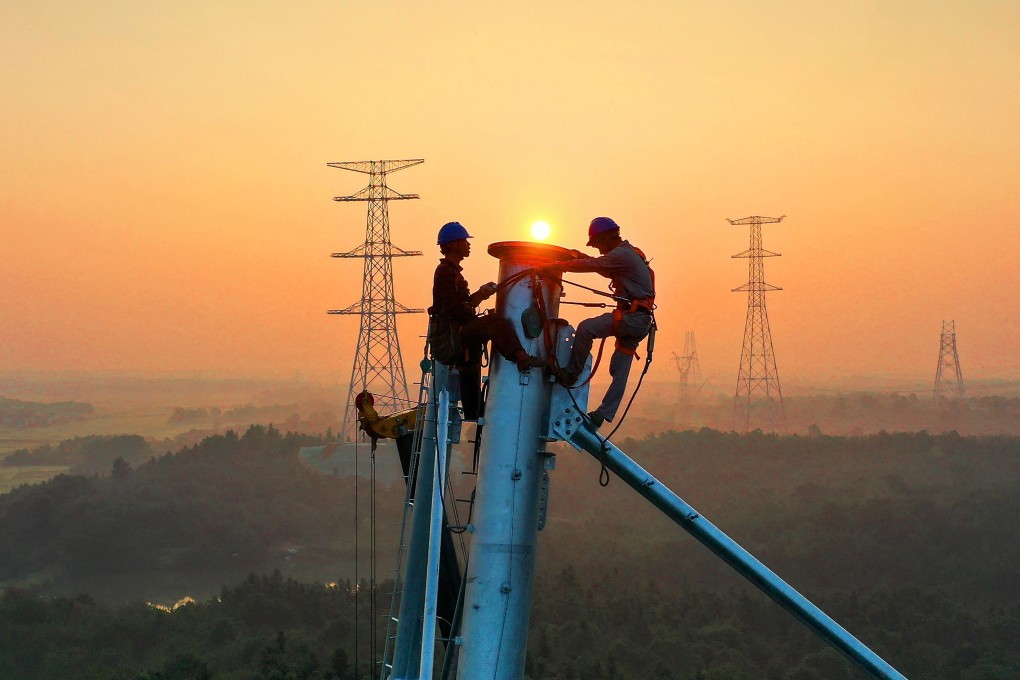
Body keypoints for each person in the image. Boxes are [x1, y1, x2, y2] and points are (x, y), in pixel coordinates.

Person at [538, 217, 655, 429]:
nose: (599, 250)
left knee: (586, 328)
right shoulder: (629, 254)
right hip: (639, 320)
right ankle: (602, 415)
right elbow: (603, 268)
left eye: (598, 244)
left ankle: (571, 374)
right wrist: (581, 256)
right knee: (620, 370)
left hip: (631, 318)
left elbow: (593, 266)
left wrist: (555, 266)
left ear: (607, 237)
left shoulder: (621, 254)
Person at [429, 221, 545, 419]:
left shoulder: (452, 272)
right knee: (495, 322)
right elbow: (455, 310)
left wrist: (481, 295)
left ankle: (474, 412)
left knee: (470, 367)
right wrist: (478, 310)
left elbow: (460, 306)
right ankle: (520, 357)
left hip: (457, 332)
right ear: (454, 244)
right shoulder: (445, 273)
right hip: (454, 334)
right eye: (464, 241)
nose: (468, 245)